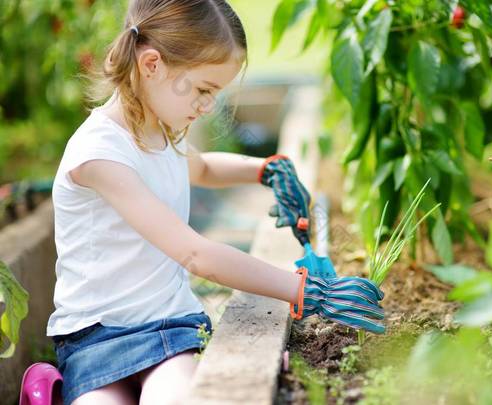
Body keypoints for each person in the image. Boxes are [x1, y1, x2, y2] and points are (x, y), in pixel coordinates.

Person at [19, 1, 385, 404]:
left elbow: (203, 168)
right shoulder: (98, 155)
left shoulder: (161, 129)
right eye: (203, 90)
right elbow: (195, 254)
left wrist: (264, 168)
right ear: (151, 64)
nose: (208, 105)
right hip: (96, 339)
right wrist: (306, 291)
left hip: (168, 330)